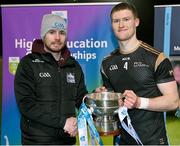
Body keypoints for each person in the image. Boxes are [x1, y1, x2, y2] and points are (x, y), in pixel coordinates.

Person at [96, 2, 179, 145]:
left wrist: (139, 102)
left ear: (136, 22)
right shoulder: (106, 63)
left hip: (153, 141)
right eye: (116, 21)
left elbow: (173, 102)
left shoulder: (156, 58)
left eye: (126, 19)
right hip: (121, 141)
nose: (121, 24)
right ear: (112, 25)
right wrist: (103, 97)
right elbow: (115, 105)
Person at [14, 13, 88, 145]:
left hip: (66, 140)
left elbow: (80, 99)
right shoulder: (28, 64)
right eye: (52, 32)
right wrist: (62, 122)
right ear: (43, 35)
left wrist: (94, 98)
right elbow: (26, 105)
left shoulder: (73, 65)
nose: (57, 37)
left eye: (62, 32)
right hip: (37, 141)